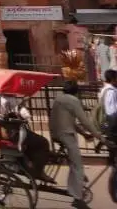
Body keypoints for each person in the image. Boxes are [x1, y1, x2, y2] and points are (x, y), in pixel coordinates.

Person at [49, 80, 97, 209]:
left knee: (74, 163)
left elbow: (72, 122)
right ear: (76, 91)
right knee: (78, 166)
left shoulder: (58, 99)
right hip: (66, 135)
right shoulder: (73, 100)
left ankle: (74, 186)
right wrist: (100, 138)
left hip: (57, 133)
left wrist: (83, 134)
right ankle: (77, 198)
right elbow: (85, 122)